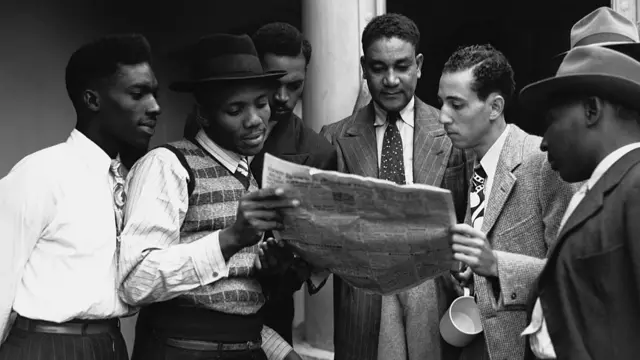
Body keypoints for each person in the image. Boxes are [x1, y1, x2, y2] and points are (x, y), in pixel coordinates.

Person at [117, 33, 303, 360]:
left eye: (261, 103)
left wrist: (268, 270)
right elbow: (136, 281)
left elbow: (233, 304)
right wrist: (230, 239)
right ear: (204, 115)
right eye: (235, 109)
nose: (255, 119)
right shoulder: (168, 166)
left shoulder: (251, 175)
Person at [0, 34, 160, 359]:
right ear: (92, 100)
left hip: (111, 345)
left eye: (153, 93)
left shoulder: (134, 179)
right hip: (45, 348)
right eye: (138, 94)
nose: (155, 107)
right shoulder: (39, 174)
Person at [321, 13, 469, 360]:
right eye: (378, 68)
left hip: (434, 296)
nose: (390, 80)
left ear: (418, 65)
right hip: (364, 302)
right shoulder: (334, 137)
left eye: (401, 67)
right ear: (363, 67)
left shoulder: (453, 132)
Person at [437, 44, 575, 360]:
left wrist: (495, 265)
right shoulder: (463, 163)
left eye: (456, 104)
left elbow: (569, 273)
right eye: (442, 102)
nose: (443, 116)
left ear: (495, 107)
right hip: (465, 338)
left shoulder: (543, 162)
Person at [519, 46, 640, 360]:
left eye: (551, 121)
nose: (543, 141)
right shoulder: (604, 187)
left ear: (591, 110)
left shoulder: (636, 186)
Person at [249, 21, 338, 344]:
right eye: (273, 83)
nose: (283, 97)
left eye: (296, 85)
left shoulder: (317, 151)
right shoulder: (211, 125)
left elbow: (318, 246)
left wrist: (283, 272)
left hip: (271, 305)